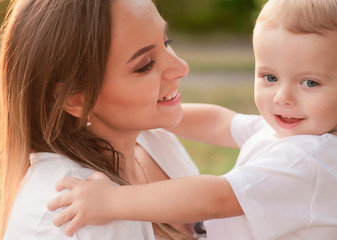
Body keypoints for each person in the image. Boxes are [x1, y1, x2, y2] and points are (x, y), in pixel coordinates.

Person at [47, 0, 337, 239]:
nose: (282, 97)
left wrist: (111, 201)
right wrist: (158, 113)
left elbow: (217, 197)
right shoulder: (293, 131)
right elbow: (220, 123)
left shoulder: (312, 160)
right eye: (270, 77)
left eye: (310, 83)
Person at [0, 0, 200, 239]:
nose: (182, 67)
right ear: (74, 98)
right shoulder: (79, 215)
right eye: (145, 65)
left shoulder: (155, 141)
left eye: (166, 42)